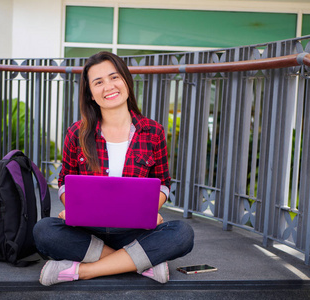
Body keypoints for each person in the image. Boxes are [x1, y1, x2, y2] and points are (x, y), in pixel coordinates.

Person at [33, 51, 194, 286]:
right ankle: (140, 262)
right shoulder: (76, 133)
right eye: (98, 82)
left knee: (182, 234)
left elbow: (163, 182)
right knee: (44, 230)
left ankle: (84, 270)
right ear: (90, 93)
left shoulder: (153, 131)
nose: (108, 86)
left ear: (126, 81)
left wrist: (152, 208)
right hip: (89, 231)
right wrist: (72, 208)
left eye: (114, 77)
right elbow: (65, 182)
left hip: (135, 231)